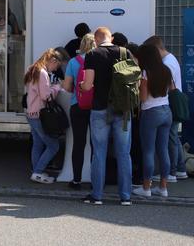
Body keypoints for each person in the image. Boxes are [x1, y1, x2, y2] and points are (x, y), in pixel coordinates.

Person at [80, 27, 133, 206]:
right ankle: (125, 196)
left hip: (100, 109)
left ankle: (97, 196)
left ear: (96, 39)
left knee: (99, 153)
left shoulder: (93, 55)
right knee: (124, 153)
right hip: (123, 110)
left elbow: (87, 85)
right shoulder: (126, 53)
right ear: (111, 38)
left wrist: (81, 86)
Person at [143, 35, 189, 181]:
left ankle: (172, 172)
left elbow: (153, 91)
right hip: (168, 106)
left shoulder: (165, 64)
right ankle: (179, 169)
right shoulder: (171, 59)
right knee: (172, 138)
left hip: (162, 105)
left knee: (170, 140)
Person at [132, 44, 173, 198]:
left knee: (148, 151)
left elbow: (142, 98)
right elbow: (171, 88)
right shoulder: (166, 70)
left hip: (151, 112)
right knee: (163, 150)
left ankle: (146, 187)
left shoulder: (145, 73)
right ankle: (163, 188)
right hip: (166, 111)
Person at [62, 33, 96, 189]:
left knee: (79, 143)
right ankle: (96, 180)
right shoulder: (99, 60)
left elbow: (68, 87)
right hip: (96, 106)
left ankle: (76, 180)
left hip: (78, 105)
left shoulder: (73, 62)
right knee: (96, 144)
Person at [24, 48, 64, 184]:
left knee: (38, 144)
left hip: (31, 113)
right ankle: (38, 172)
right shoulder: (42, 73)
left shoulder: (33, 69)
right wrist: (57, 87)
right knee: (54, 146)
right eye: (56, 65)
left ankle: (36, 171)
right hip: (39, 114)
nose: (55, 69)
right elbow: (46, 96)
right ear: (53, 60)